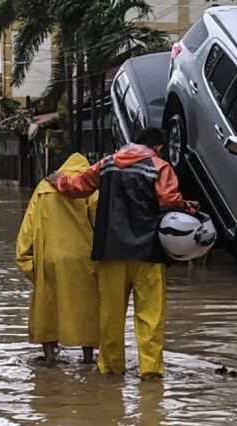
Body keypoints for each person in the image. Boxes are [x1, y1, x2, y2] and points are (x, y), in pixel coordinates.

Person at [47, 127, 197, 379]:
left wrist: (58, 180)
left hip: (110, 250)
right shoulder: (159, 167)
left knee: (110, 316)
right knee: (150, 316)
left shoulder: (106, 165)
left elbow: (78, 186)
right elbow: (169, 199)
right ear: (159, 148)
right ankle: (150, 373)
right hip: (148, 252)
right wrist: (189, 207)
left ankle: (111, 370)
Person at [16, 153, 100, 366]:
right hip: (84, 258)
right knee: (87, 308)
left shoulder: (43, 188)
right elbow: (101, 225)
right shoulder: (90, 188)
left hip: (49, 258)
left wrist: (29, 265)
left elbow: (26, 233)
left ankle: (50, 359)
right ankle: (88, 359)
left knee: (48, 308)